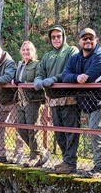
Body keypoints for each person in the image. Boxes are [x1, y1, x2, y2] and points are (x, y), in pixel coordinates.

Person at [34, 25, 79, 173]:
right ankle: (66, 160)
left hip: (69, 98)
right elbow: (40, 70)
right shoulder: (47, 56)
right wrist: (39, 79)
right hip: (53, 99)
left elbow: (70, 69)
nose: (56, 39)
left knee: (70, 131)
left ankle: (71, 162)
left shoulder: (71, 50)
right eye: (53, 37)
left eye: (58, 36)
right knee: (59, 133)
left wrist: (54, 78)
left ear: (63, 36)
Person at [62, 27, 101, 175]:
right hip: (85, 101)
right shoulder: (75, 57)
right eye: (84, 38)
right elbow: (65, 75)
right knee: (98, 131)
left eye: (91, 38)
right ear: (79, 41)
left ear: (96, 40)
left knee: (96, 131)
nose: (88, 41)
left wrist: (80, 77)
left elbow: (92, 75)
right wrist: (76, 78)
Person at [13, 41, 50, 168]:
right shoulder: (20, 65)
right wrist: (14, 80)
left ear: (33, 51)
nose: (26, 52)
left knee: (32, 128)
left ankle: (34, 156)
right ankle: (41, 152)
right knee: (20, 128)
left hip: (32, 99)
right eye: (24, 50)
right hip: (20, 100)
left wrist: (24, 82)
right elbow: (17, 78)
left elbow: (38, 78)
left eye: (28, 49)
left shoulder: (37, 64)